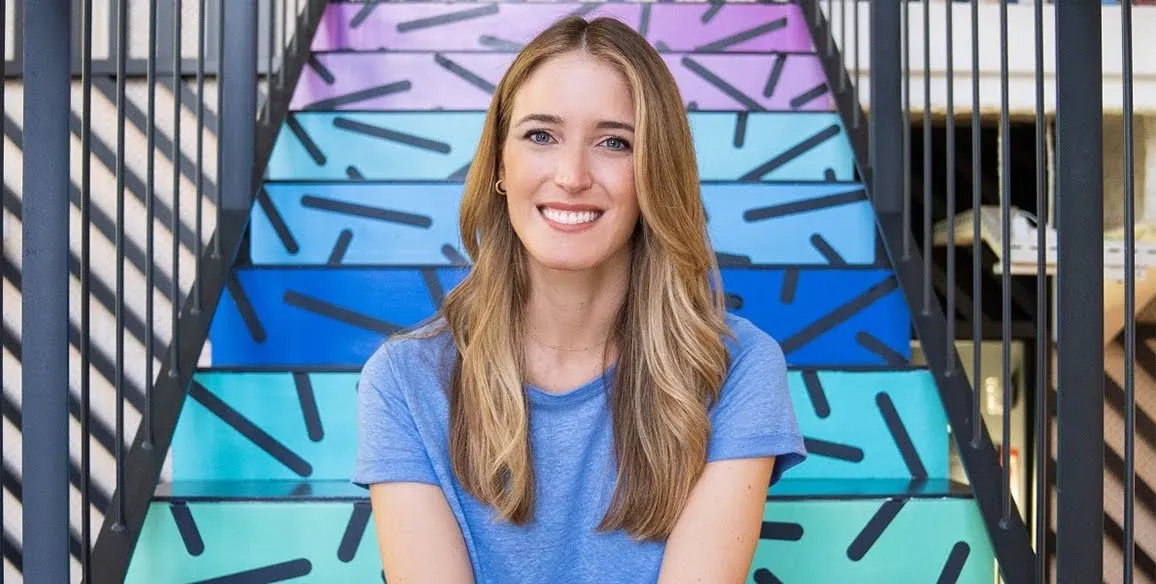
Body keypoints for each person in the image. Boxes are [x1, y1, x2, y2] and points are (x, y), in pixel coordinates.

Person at [352, 15, 806, 584]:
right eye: (541, 135)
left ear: (656, 172)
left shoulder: (736, 367)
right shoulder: (404, 379)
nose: (572, 176)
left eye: (614, 142)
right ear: (499, 163)